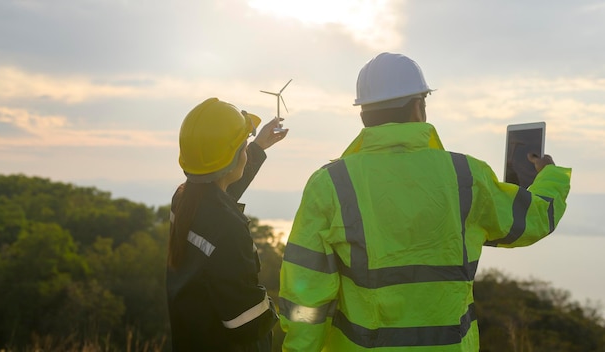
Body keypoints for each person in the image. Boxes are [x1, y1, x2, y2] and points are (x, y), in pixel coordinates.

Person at [278, 53, 571, 351]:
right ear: (419, 106)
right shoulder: (466, 175)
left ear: (363, 112)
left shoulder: (329, 183)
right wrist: (550, 177)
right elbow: (535, 218)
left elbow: (305, 294)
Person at [167, 97, 287, 351]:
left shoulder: (183, 200)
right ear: (231, 160)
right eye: (243, 148)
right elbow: (247, 322)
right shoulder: (228, 230)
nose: (246, 153)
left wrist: (258, 146)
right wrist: (279, 309)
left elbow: (219, 192)